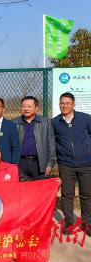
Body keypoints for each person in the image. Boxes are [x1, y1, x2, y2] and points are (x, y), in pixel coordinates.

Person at [52, 92, 91, 236]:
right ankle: (69, 222)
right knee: (67, 195)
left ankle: (87, 223)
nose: (65, 106)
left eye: (68, 103)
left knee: (86, 195)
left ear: (73, 104)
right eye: (62, 103)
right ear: (59, 104)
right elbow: (53, 142)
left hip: (86, 163)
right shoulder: (55, 122)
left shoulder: (85, 119)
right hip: (66, 164)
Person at [13, 96, 56, 180]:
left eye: (29, 106)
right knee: (22, 191)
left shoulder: (45, 122)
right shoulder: (14, 123)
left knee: (40, 191)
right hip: (21, 163)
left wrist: (50, 164)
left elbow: (51, 144)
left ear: (36, 108)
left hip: (39, 163)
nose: (26, 109)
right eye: (23, 106)